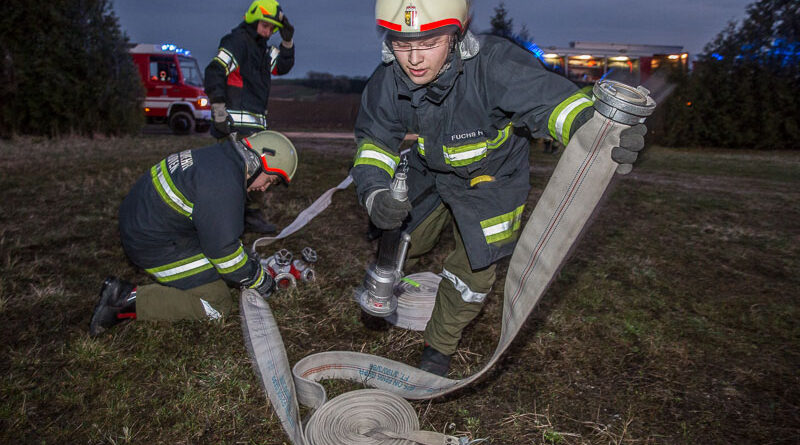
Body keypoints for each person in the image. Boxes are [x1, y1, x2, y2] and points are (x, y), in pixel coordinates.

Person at [351, 0, 647, 376]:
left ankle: (438, 347)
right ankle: (386, 288)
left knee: (473, 268)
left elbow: (555, 105)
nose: (413, 59)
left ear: (456, 35)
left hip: (492, 180)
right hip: (431, 169)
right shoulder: (387, 80)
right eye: (402, 43)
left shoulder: (495, 65)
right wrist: (376, 194)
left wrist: (599, 134)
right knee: (402, 236)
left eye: (428, 43)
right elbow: (374, 143)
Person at [89, 131, 298, 337]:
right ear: (259, 161)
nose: (264, 188)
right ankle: (124, 300)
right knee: (218, 303)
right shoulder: (224, 186)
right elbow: (224, 255)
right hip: (153, 243)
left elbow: (215, 230)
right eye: (270, 180)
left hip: (146, 222)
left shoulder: (220, 157)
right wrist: (258, 278)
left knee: (222, 268)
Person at [204, 0, 295, 234]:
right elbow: (215, 70)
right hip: (233, 125)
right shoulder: (237, 41)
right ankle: (229, 221)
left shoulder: (264, 50)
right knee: (237, 176)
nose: (268, 32)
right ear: (253, 19)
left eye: (272, 28)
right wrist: (219, 110)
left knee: (252, 175)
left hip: (255, 127)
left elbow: (282, 67)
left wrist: (287, 41)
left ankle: (246, 218)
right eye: (265, 26)